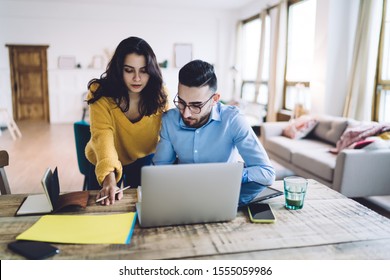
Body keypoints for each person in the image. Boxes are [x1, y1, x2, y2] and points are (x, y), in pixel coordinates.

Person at [152, 59, 275, 206]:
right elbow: (159, 170)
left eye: (196, 105)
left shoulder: (233, 120)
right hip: (184, 195)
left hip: (224, 196)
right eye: (181, 102)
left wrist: (228, 175)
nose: (185, 114)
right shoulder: (169, 120)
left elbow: (266, 173)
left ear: (215, 99)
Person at [85, 36, 168, 205]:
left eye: (143, 71)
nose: (137, 78)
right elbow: (103, 135)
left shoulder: (160, 95)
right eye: (129, 70)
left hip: (142, 158)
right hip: (103, 159)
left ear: (151, 71)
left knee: (140, 207)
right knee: (100, 208)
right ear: (118, 69)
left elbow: (168, 136)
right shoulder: (99, 93)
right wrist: (109, 179)